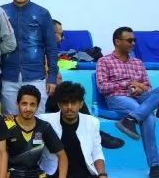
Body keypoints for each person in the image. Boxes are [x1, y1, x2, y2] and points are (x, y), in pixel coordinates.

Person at [44, 20, 124, 150]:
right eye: (61, 34)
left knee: (74, 94)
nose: (63, 37)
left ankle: (95, 133)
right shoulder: (39, 52)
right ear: (51, 34)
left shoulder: (51, 54)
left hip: (51, 95)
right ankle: (97, 134)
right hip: (39, 96)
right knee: (68, 94)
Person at [97, 26, 159, 178]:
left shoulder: (138, 62)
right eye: (130, 40)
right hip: (117, 97)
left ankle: (130, 119)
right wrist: (127, 84)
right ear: (117, 42)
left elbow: (148, 87)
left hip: (140, 97)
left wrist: (140, 87)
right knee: (149, 117)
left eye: (134, 40)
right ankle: (155, 166)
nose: (133, 43)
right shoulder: (104, 61)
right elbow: (102, 87)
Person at [1, 0, 58, 116]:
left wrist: (52, 77)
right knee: (10, 121)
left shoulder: (42, 13)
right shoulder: (1, 12)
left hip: (36, 77)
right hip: (8, 77)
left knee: (38, 120)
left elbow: (51, 48)